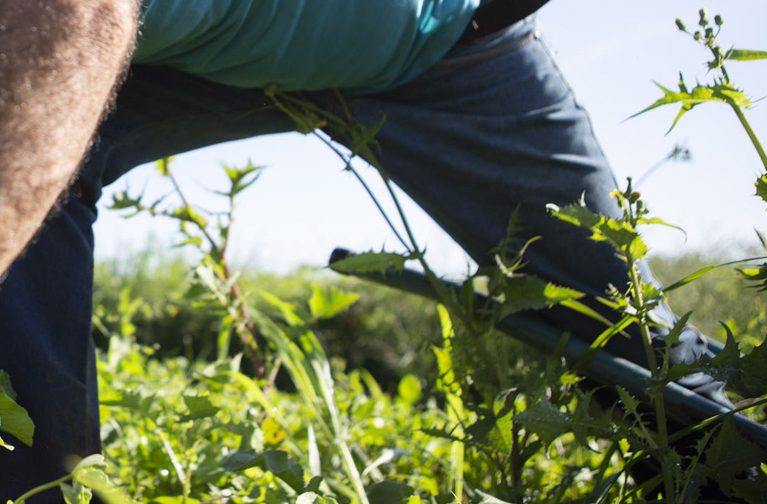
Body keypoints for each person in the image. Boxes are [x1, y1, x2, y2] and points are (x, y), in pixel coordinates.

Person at [0, 0, 722, 496]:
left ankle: (735, 477)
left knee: (618, 325)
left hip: (448, 42)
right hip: (199, 61)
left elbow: (73, 15)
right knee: (41, 157)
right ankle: (34, 481)